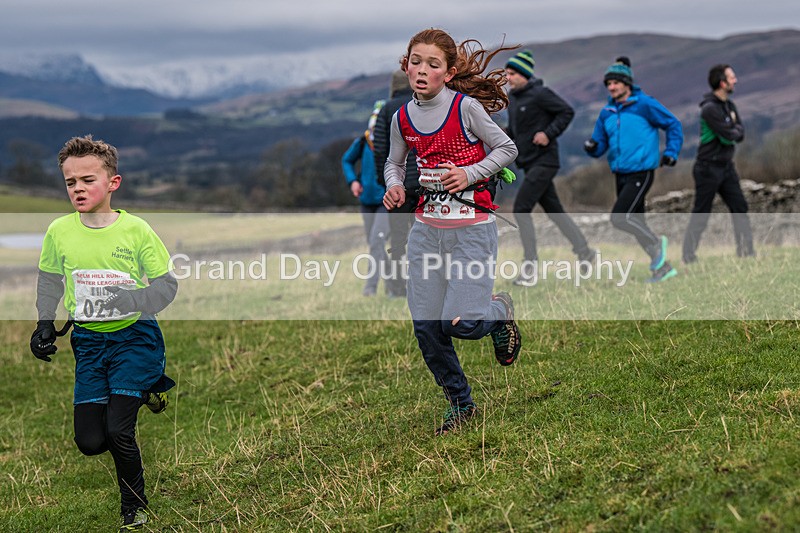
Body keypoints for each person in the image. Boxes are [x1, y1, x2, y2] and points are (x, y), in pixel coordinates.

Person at [29, 135, 178, 531]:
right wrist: (45, 323)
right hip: (89, 343)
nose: (78, 188)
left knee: (118, 431)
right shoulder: (59, 231)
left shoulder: (136, 230)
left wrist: (131, 299)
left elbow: (167, 286)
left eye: (87, 180)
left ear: (113, 183)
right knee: (91, 441)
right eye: (70, 182)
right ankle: (144, 391)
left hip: (134, 338)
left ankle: (135, 508)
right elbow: (50, 281)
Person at [383, 29, 522, 436]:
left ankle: (498, 313)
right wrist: (393, 185)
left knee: (460, 323)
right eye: (415, 61)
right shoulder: (401, 118)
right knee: (428, 327)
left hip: (472, 231)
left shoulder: (466, 109)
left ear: (448, 73)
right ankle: (461, 404)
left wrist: (469, 173)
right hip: (426, 232)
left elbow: (507, 149)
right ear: (406, 65)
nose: (421, 70)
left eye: (432, 64)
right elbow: (394, 163)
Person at [584, 56, 684, 282]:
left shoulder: (645, 105)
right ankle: (663, 268)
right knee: (637, 222)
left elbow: (673, 124)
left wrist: (671, 152)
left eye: (616, 83)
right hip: (620, 173)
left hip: (641, 171)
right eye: (608, 84)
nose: (611, 87)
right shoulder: (607, 112)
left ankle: (657, 243)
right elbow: (599, 145)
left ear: (627, 83)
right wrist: (591, 147)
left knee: (620, 218)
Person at [504, 50, 596, 286]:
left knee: (521, 209)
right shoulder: (513, 98)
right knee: (555, 211)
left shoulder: (540, 94)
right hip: (528, 162)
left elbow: (567, 111)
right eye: (507, 73)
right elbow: (514, 131)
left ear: (524, 74)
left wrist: (548, 133)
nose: (508, 77)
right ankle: (585, 252)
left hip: (545, 162)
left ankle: (530, 267)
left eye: (512, 73)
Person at [682, 64, 755, 263]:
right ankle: (688, 255)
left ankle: (746, 252)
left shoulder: (729, 106)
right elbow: (728, 136)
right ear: (722, 83)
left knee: (740, 207)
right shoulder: (709, 109)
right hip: (708, 168)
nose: (735, 80)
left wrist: (733, 131)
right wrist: (733, 130)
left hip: (727, 166)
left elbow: (739, 133)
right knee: (702, 213)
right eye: (732, 77)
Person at [373, 69, 420, 298]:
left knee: (398, 238)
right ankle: (425, 284)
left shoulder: (386, 109)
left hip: (397, 185)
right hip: (424, 182)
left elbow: (380, 148)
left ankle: (398, 288)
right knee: (426, 237)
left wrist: (384, 181)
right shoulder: (422, 105)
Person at [342, 100, 391, 296]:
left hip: (386, 202)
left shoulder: (392, 141)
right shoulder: (363, 142)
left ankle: (370, 288)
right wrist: (352, 181)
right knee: (375, 244)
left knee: (376, 241)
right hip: (366, 202)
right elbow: (347, 160)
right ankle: (393, 283)